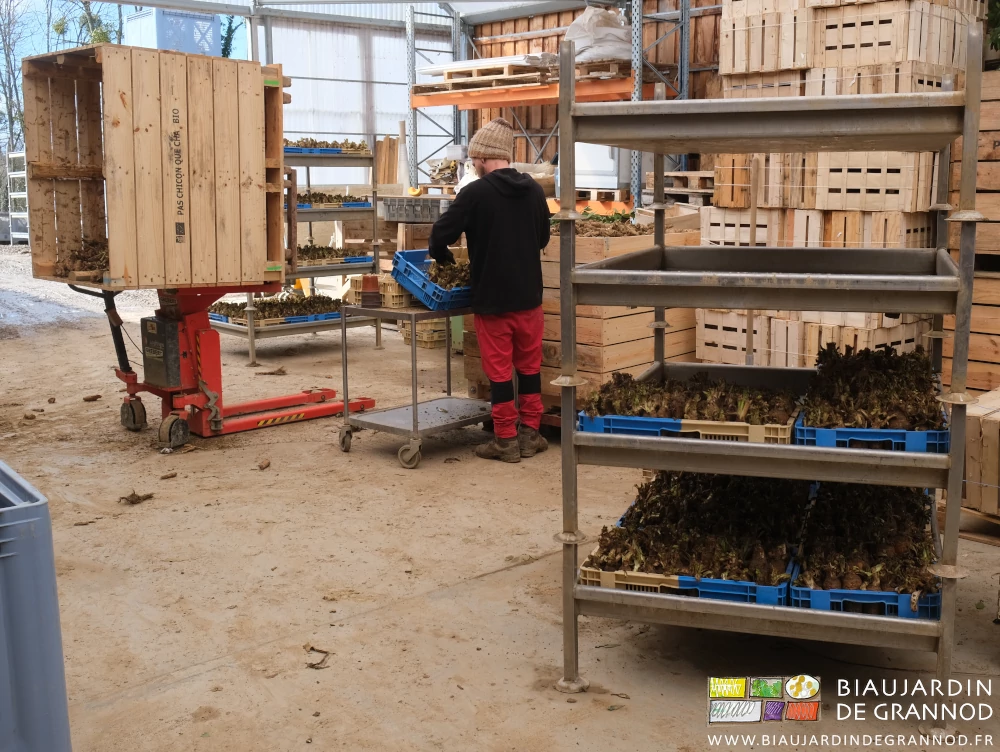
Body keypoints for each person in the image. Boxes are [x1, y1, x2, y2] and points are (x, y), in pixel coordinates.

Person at [428, 118, 551, 463]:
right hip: (529, 299)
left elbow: (440, 234)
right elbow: (543, 238)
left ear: (482, 159)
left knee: (499, 374)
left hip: (492, 301)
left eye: (473, 160)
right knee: (529, 368)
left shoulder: (475, 193)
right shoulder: (535, 191)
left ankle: (506, 441)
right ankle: (531, 433)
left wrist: (443, 256)